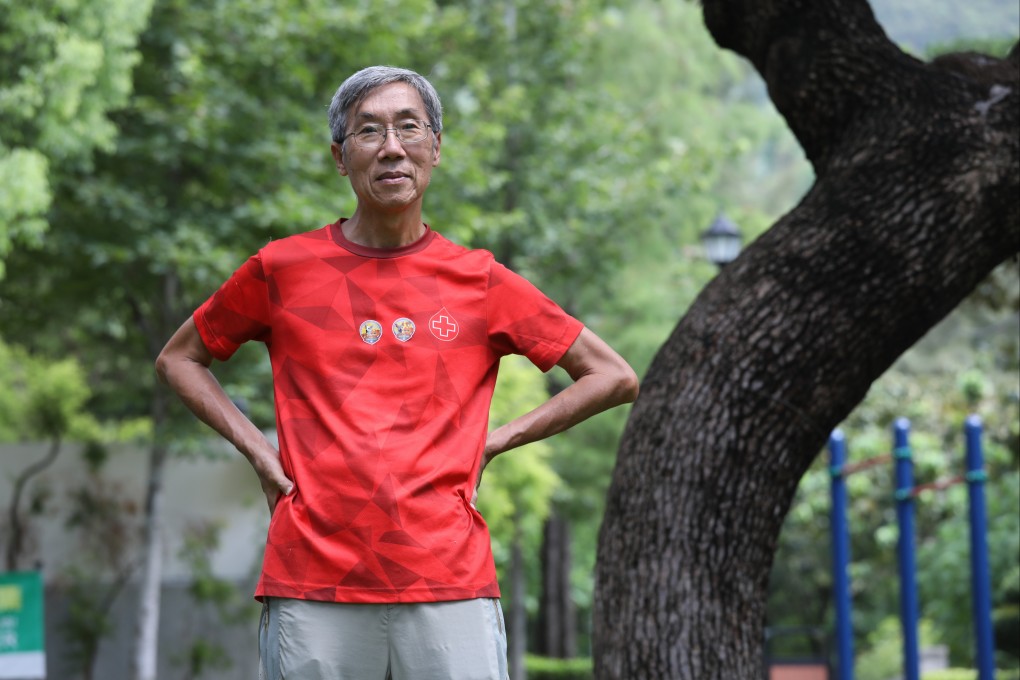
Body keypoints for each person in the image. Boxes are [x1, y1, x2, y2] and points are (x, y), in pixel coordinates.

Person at [155, 65, 639, 680]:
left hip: (448, 576)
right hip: (313, 578)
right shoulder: (282, 269)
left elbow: (613, 376)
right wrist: (258, 450)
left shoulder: (480, 279)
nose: (391, 147)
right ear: (340, 156)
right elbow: (179, 358)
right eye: (369, 131)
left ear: (434, 148)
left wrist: (496, 441)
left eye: (409, 127)